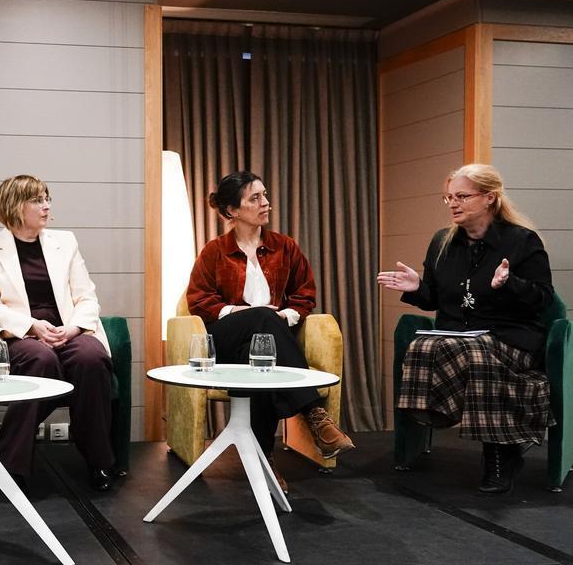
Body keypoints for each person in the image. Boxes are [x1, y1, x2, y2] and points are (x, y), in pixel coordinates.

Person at [377, 164, 554, 494]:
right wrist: (417, 287)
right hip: (457, 336)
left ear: (489, 198)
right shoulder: (443, 242)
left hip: (509, 337)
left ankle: (501, 456)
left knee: (474, 351)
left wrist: (510, 284)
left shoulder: (521, 241)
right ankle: (435, 415)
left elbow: (543, 299)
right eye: (448, 197)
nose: (453, 203)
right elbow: (434, 300)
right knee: (422, 346)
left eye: (461, 196)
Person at [186, 171, 354, 490]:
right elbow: (199, 299)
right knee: (261, 321)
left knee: (263, 362)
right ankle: (313, 413)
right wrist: (239, 311)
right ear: (232, 211)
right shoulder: (214, 251)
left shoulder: (284, 247)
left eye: (264, 195)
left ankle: (264, 461)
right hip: (225, 339)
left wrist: (284, 318)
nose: (266, 203)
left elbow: (305, 293)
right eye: (255, 198)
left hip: (269, 341)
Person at [0, 175, 118, 492]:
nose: (47, 206)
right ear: (15, 206)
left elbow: (86, 296)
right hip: (23, 337)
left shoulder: (65, 242)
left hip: (67, 330)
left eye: (47, 198)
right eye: (37, 200)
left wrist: (74, 327)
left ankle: (99, 461)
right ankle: (13, 466)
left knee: (91, 358)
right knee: (42, 360)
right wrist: (31, 326)